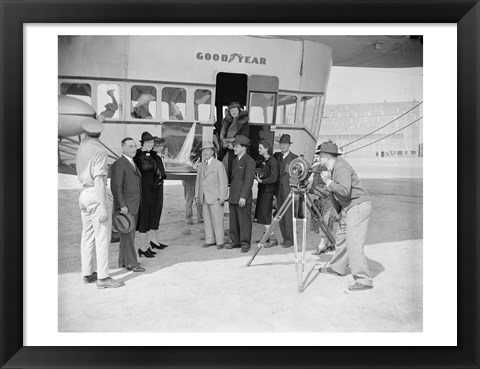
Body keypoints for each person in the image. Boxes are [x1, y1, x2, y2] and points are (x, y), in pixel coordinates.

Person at [316, 141, 374, 291]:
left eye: (320, 156)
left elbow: (344, 191)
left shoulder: (341, 168)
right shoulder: (335, 167)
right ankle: (337, 268)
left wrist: (328, 182)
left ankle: (364, 280)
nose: (319, 160)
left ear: (327, 156)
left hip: (357, 206)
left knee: (354, 243)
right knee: (341, 238)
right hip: (349, 208)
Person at [75, 118, 124, 289]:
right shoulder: (99, 151)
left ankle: (87, 273)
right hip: (96, 195)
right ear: (100, 133)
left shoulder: (82, 146)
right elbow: (99, 180)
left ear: (86, 133)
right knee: (102, 238)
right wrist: (104, 206)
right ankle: (103, 278)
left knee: (87, 236)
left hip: (84, 194)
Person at [110, 137, 145, 272]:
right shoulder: (119, 164)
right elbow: (116, 187)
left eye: (135, 146)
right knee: (129, 236)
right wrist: (122, 205)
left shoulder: (131, 162)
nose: (133, 149)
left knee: (126, 235)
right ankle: (132, 263)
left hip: (133, 204)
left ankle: (124, 262)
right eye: (130, 146)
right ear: (123, 148)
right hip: (127, 207)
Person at [134, 131, 167, 258]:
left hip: (156, 188)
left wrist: (159, 176)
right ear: (143, 143)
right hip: (145, 190)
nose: (150, 144)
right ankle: (142, 247)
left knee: (155, 213)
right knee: (145, 217)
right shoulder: (137, 156)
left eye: (152, 142)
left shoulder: (154, 155)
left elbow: (160, 170)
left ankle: (150, 243)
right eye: (148, 142)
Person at [194, 141, 228, 249]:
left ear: (212, 152)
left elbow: (223, 182)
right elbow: (198, 182)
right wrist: (196, 196)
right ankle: (210, 240)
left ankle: (220, 242)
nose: (205, 152)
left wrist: (223, 196)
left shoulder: (219, 165)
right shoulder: (200, 166)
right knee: (207, 220)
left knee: (217, 220)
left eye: (208, 150)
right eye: (204, 150)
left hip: (216, 197)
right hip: (204, 197)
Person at [225, 135, 256, 253]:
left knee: (244, 222)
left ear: (244, 148)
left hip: (242, 196)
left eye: (237, 147)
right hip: (233, 195)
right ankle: (235, 241)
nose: (234, 149)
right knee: (233, 220)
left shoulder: (249, 161)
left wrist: (243, 196)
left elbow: (249, 181)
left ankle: (245, 243)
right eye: (234, 147)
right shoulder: (235, 160)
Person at [273, 134, 299, 248]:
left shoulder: (295, 158)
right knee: (280, 215)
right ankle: (285, 238)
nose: (283, 146)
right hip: (278, 190)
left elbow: (300, 175)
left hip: (289, 190)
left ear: (289, 145)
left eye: (285, 144)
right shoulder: (276, 156)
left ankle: (290, 239)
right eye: (281, 144)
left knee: (288, 215)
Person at [254, 140, 279, 247]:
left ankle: (272, 237)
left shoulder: (272, 161)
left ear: (266, 148)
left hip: (267, 191)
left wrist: (262, 181)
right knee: (265, 215)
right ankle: (267, 236)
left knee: (265, 215)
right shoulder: (266, 160)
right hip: (263, 190)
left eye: (260, 148)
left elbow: (274, 178)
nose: (259, 149)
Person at [220, 102, 250, 183]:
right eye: (232, 111)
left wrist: (233, 145)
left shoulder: (244, 122)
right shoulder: (227, 121)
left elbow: (244, 137)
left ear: (239, 110)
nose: (233, 112)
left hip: (239, 149)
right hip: (228, 149)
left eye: (235, 110)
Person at [152, 137, 169, 249]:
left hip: (158, 186)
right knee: (153, 213)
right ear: (156, 146)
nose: (162, 147)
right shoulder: (154, 157)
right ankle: (153, 240)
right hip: (155, 187)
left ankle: (155, 239)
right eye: (160, 145)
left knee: (157, 213)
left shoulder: (157, 157)